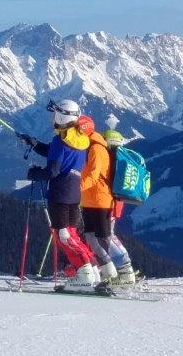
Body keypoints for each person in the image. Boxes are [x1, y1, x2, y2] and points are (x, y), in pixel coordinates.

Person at [19, 99, 97, 291]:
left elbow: (52, 170)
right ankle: (92, 269)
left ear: (63, 117)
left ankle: (84, 272)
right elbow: (58, 153)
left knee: (63, 234)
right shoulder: (79, 139)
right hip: (73, 192)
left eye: (54, 115)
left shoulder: (59, 140)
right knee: (70, 233)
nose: (52, 118)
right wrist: (35, 144)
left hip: (59, 193)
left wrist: (34, 173)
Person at [77, 115, 120, 282]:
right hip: (89, 201)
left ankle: (120, 269)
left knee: (104, 238)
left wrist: (75, 188)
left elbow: (93, 176)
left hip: (100, 200)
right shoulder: (89, 147)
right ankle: (107, 271)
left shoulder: (96, 149)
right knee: (91, 238)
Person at [102, 128, 136, 285]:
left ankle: (124, 268)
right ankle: (120, 268)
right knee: (106, 234)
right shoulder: (123, 159)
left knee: (106, 235)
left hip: (107, 202)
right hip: (118, 202)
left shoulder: (109, 158)